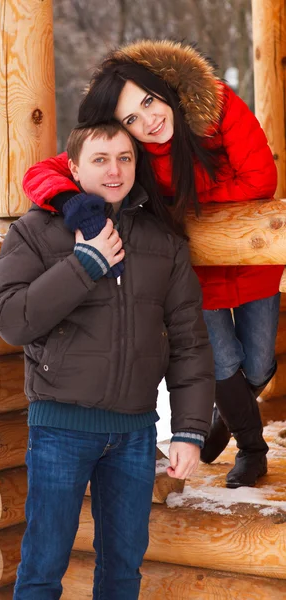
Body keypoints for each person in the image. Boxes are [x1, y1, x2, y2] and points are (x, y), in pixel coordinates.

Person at [22, 39, 282, 489]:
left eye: (148, 101)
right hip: (195, 275)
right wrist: (70, 200)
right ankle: (253, 449)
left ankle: (224, 419)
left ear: (164, 89)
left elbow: (260, 178)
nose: (149, 120)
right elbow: (41, 172)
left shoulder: (214, 105)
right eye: (131, 119)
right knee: (223, 364)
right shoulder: (132, 151)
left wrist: (179, 208)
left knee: (258, 368)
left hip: (251, 262)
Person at [0, 121, 214, 600]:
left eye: (125, 158)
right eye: (99, 159)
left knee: (122, 571)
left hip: (134, 434)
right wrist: (84, 265)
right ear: (73, 167)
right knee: (43, 567)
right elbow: (10, 319)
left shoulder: (164, 242)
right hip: (60, 430)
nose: (114, 170)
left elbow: (189, 340)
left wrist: (190, 429)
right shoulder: (34, 233)